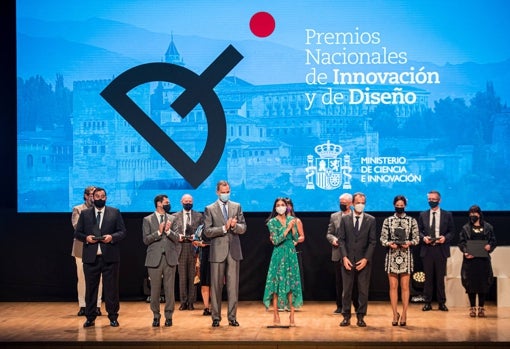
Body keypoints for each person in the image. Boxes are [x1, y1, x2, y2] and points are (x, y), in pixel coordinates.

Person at [74, 187, 127, 328]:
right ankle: (90, 317)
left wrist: (112, 237)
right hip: (91, 258)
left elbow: (122, 232)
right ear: (92, 197)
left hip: (110, 257)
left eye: (103, 196)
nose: (100, 198)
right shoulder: (85, 214)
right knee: (91, 289)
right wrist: (87, 238)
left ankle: (113, 317)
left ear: (106, 198)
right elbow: (77, 233)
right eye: (97, 196)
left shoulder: (114, 212)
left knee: (111, 289)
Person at [203, 180, 247, 327]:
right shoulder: (210, 209)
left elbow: (243, 227)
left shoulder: (236, 206)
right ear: (217, 192)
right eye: (223, 192)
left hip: (234, 251)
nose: (225, 194)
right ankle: (216, 317)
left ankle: (232, 317)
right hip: (217, 251)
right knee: (215, 286)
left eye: (227, 192)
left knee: (233, 287)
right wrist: (223, 228)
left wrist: (235, 226)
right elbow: (207, 231)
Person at [338, 192, 376, 327]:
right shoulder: (345, 219)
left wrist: (366, 259)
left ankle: (361, 316)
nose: (360, 205)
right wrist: (344, 257)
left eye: (363, 203)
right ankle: (346, 316)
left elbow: (372, 242)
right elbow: (341, 240)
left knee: (363, 290)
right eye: (358, 202)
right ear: (353, 204)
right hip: (347, 260)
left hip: (363, 261)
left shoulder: (371, 220)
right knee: (347, 290)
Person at [380, 195, 419, 326]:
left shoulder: (412, 220)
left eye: (402, 206)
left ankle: (405, 314)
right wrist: (389, 243)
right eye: (398, 205)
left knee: (405, 287)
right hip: (392, 256)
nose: (400, 207)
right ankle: (394, 314)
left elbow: (416, 238)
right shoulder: (388, 220)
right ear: (394, 205)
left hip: (406, 256)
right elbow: (382, 239)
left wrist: (409, 242)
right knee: (393, 286)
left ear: (405, 206)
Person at [263, 198, 303, 327]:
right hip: (278, 255)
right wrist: (287, 229)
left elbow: (296, 238)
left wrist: (293, 229)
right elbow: (275, 240)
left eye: (283, 205)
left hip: (291, 254)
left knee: (291, 284)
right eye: (278, 205)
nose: (281, 207)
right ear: (275, 208)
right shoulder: (272, 223)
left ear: (287, 207)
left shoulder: (293, 220)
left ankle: (292, 315)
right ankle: (276, 314)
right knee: (276, 285)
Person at [142, 194, 180, 327]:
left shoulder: (173, 218)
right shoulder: (147, 220)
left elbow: (177, 238)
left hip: (170, 258)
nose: (168, 204)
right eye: (166, 202)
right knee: (155, 290)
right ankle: (156, 316)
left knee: (170, 290)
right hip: (154, 259)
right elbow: (146, 240)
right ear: (159, 204)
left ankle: (169, 316)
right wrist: (158, 232)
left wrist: (168, 231)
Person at [417, 190, 455, 312]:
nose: (431, 201)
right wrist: (424, 238)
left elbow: (452, 232)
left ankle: (441, 303)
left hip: (440, 249)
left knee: (440, 278)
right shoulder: (423, 214)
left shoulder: (447, 215)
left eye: (434, 199)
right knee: (428, 278)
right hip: (427, 249)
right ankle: (427, 302)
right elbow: (418, 231)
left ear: (439, 200)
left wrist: (445, 238)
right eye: (430, 199)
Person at [458, 205, 496, 318]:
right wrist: (465, 252)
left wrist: (490, 246)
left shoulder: (488, 227)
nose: (472, 215)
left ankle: (481, 307)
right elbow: (461, 243)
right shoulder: (465, 228)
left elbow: (493, 241)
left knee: (483, 284)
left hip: (483, 261)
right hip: (470, 261)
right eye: (471, 213)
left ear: (479, 214)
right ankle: (472, 307)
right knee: (471, 285)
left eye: (475, 213)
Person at [71, 185, 102, 317]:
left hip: (98, 247)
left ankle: (98, 305)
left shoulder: (100, 210)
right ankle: (83, 305)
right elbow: (77, 227)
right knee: (82, 278)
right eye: (91, 195)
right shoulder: (78, 209)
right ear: (85, 196)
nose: (93, 197)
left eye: (95, 195)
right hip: (82, 247)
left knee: (99, 278)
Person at [326, 193, 359, 314]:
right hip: (338, 253)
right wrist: (333, 239)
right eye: (341, 203)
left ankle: (356, 305)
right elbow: (329, 233)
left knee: (354, 282)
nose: (342, 205)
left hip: (353, 254)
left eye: (344, 203)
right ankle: (340, 306)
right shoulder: (334, 216)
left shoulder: (356, 216)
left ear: (350, 203)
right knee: (339, 281)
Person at [172, 194, 204, 311]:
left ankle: (191, 302)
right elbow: (171, 232)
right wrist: (178, 237)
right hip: (180, 247)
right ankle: (183, 302)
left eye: (190, 201)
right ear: (181, 202)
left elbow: (202, 230)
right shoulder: (175, 216)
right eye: (186, 201)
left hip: (193, 247)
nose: (188, 203)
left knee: (192, 276)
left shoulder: (199, 216)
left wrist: (195, 237)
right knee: (182, 277)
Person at [193, 221, 212, 316]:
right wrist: (200, 244)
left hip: (216, 257)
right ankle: (206, 307)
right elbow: (194, 241)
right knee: (204, 282)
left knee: (214, 283)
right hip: (203, 256)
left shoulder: (217, 227)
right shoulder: (200, 228)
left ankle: (214, 307)